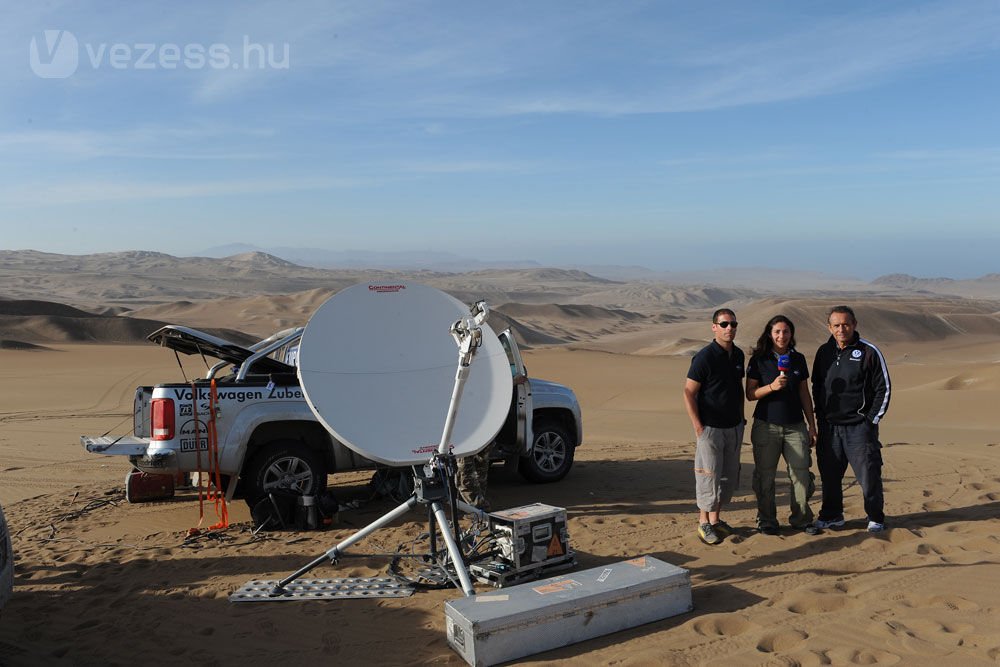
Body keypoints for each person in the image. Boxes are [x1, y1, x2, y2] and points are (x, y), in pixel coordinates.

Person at [811, 305, 891, 533]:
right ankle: (832, 516)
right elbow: (817, 384)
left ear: (854, 324)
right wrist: (820, 415)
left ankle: (875, 517)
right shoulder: (823, 352)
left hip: (859, 428)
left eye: (846, 324)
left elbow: (883, 388)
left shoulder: (868, 351)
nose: (841, 329)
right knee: (830, 475)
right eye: (836, 325)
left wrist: (870, 421)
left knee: (869, 475)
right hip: (830, 427)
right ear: (829, 327)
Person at [745, 315, 820, 536]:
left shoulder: (797, 359)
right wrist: (772, 387)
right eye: (777, 331)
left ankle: (801, 519)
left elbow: (804, 393)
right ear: (770, 334)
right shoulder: (759, 359)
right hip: (766, 425)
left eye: (786, 331)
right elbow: (750, 394)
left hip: (795, 426)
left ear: (791, 334)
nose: (782, 336)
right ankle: (767, 520)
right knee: (765, 476)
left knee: (801, 474)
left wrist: (812, 425)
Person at [683, 308, 745, 545]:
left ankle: (716, 520)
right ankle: (704, 523)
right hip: (710, 428)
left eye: (733, 324)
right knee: (708, 476)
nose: (729, 328)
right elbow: (688, 392)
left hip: (734, 427)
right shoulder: (704, 357)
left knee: (727, 477)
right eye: (724, 324)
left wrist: (740, 419)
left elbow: (737, 388)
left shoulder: (738, 355)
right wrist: (698, 426)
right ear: (714, 327)